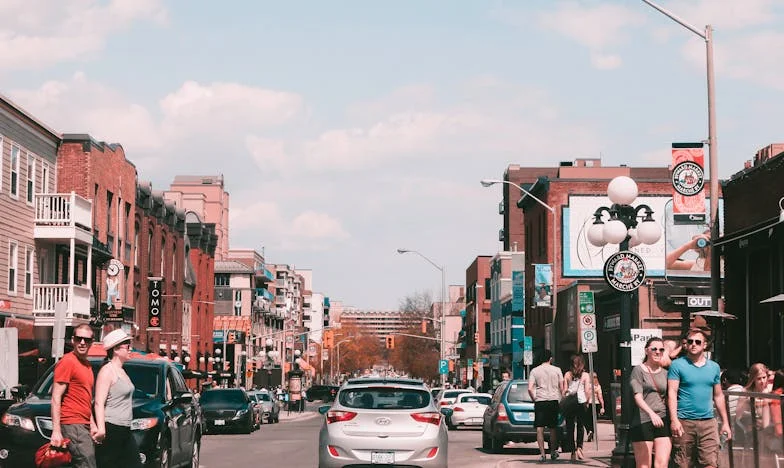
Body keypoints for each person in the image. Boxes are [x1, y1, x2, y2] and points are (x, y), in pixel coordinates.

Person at [667, 328, 731, 468]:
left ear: (705, 344)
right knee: (683, 464)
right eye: (690, 342)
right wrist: (674, 420)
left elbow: (718, 395)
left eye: (697, 342)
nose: (693, 344)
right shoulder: (677, 365)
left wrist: (725, 422)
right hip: (684, 422)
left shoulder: (714, 367)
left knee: (710, 463)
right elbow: (671, 393)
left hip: (708, 422)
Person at [50, 324, 98, 468]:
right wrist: (56, 431)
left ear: (92, 343)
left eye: (86, 340)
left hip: (83, 425)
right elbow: (55, 397)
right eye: (79, 339)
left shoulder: (87, 365)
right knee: (87, 463)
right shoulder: (67, 362)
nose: (82, 342)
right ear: (73, 340)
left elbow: (85, 399)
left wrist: (93, 424)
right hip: (72, 423)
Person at [94, 329, 141, 468]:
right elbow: (98, 402)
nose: (130, 349)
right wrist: (101, 429)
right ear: (116, 349)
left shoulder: (122, 371)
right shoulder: (107, 371)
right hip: (111, 428)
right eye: (127, 345)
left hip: (125, 428)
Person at [630, 337, 671, 468]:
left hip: (663, 418)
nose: (658, 352)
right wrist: (651, 414)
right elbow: (638, 397)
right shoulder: (638, 370)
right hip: (643, 420)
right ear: (647, 350)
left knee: (662, 464)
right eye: (654, 349)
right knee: (644, 465)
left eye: (661, 349)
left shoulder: (666, 373)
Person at [528, 349, 564, 462]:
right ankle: (553, 452)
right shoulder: (557, 370)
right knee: (553, 428)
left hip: (540, 401)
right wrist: (561, 399)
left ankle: (542, 454)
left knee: (540, 428)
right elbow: (562, 387)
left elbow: (530, 388)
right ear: (550, 359)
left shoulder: (534, 371)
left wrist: (534, 399)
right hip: (553, 400)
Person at [563, 354, 591, 461]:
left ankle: (572, 451)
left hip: (570, 402)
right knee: (580, 426)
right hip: (581, 402)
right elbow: (587, 390)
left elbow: (564, 390)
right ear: (582, 364)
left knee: (570, 427)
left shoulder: (567, 375)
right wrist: (587, 401)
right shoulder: (585, 375)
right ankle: (580, 448)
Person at [584, 372, 605, 442]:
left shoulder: (587, 385)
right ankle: (591, 432)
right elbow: (600, 397)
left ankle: (589, 431)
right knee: (593, 420)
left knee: (586, 419)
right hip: (596, 404)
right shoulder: (598, 386)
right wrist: (602, 406)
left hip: (588, 403)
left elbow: (586, 394)